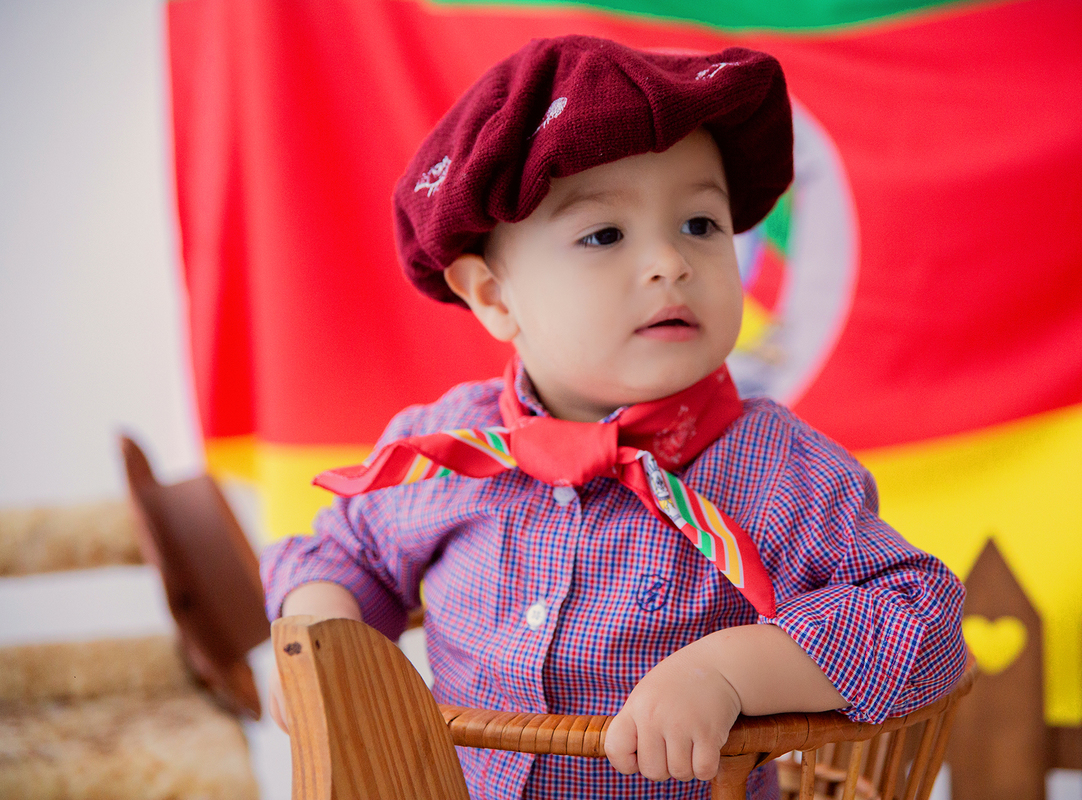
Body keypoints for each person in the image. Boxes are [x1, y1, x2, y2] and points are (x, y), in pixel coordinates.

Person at [261, 35, 966, 799]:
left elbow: (918, 622)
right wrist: (322, 644)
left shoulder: (779, 471)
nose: (671, 261)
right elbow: (340, 554)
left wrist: (729, 673)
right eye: (604, 234)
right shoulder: (446, 453)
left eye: (702, 224)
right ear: (495, 298)